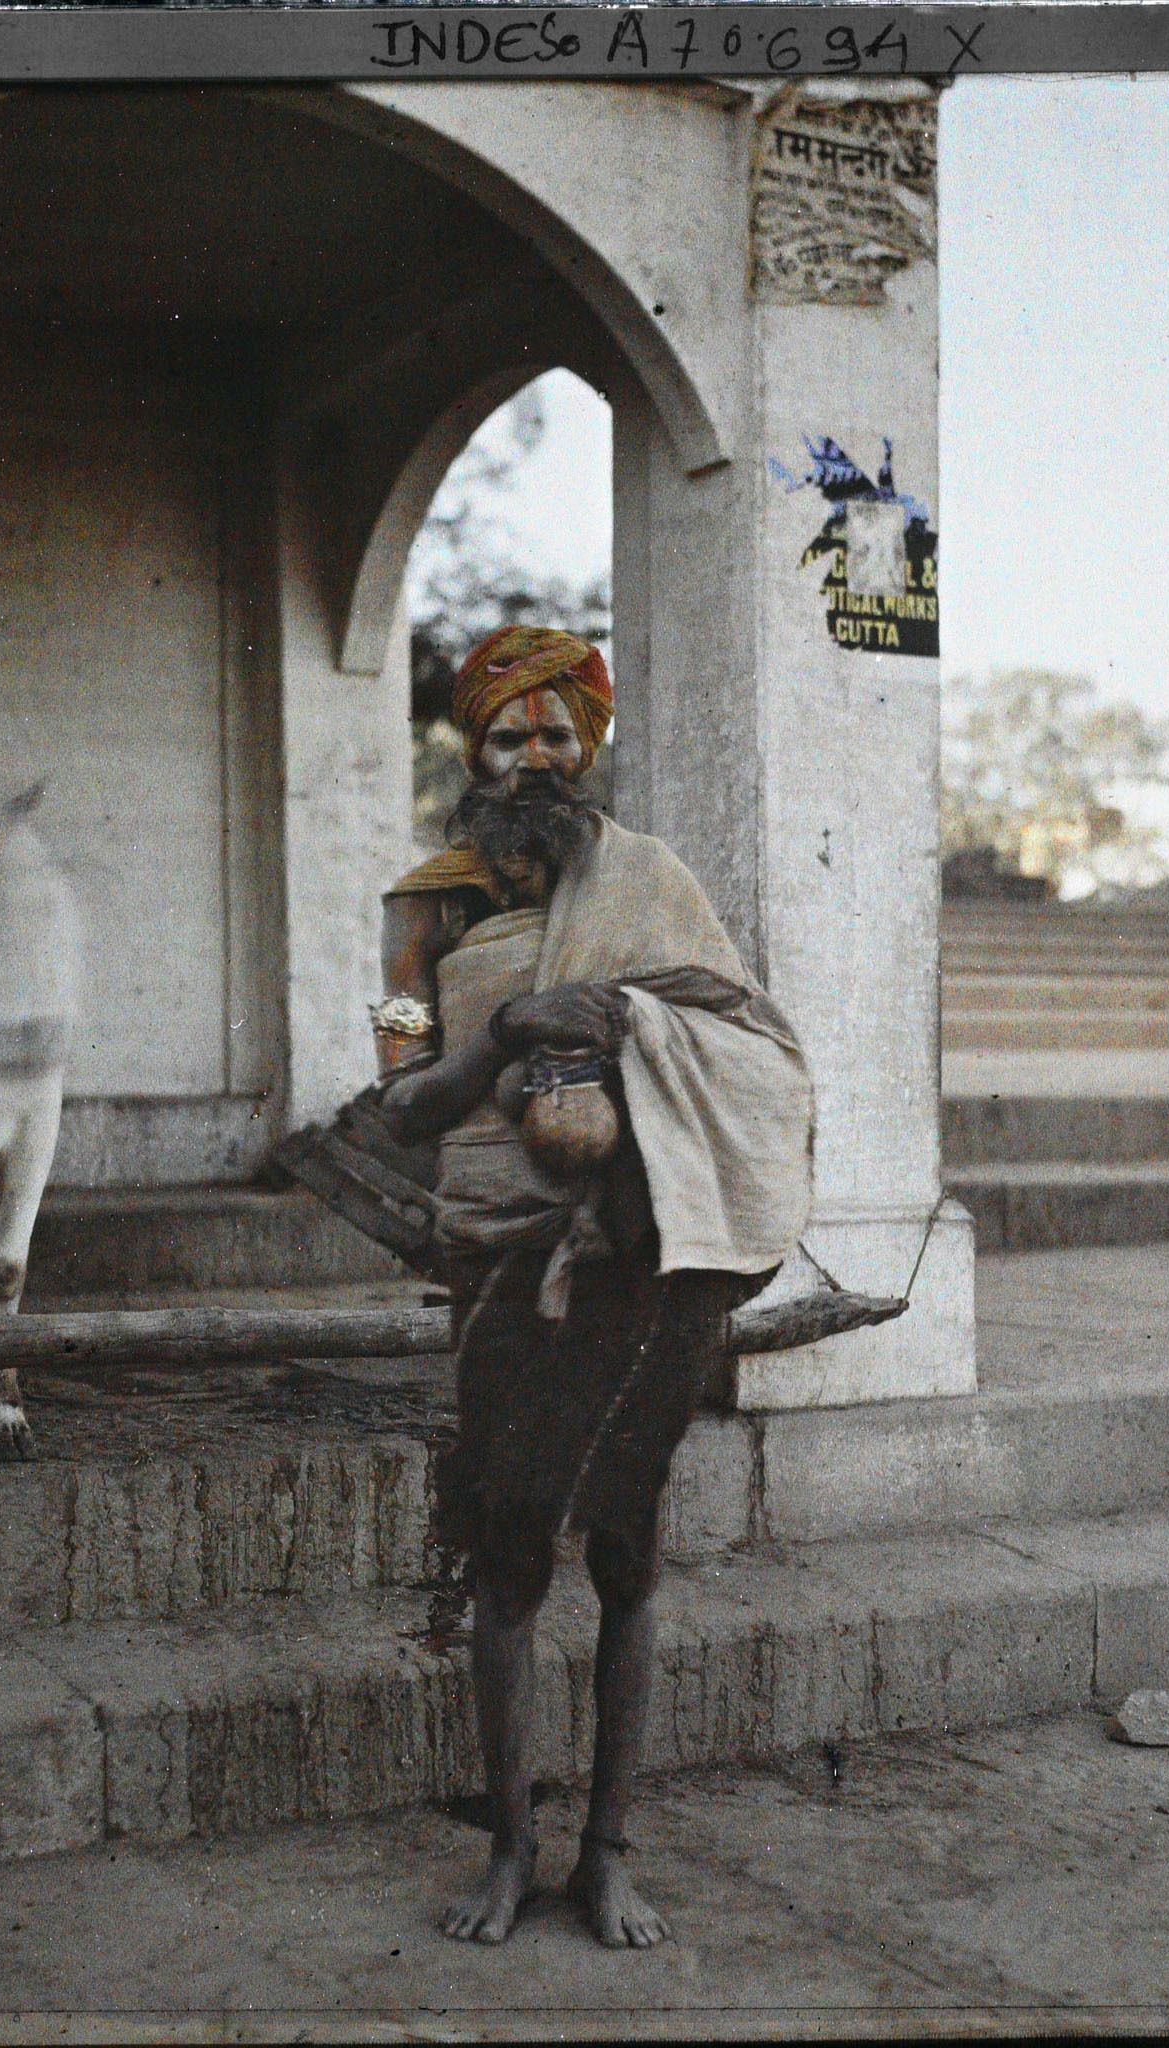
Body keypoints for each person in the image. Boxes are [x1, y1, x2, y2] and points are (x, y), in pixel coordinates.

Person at [375, 624, 813, 1948]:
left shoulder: (652, 880)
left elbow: (757, 1041)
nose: (533, 756)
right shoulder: (423, 903)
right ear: (472, 746)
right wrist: (505, 1039)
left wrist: (624, 1021)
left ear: (590, 745)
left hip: (638, 1252)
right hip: (500, 1250)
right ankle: (511, 1850)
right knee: (509, 1556)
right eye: (508, 733)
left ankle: (608, 1854)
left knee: (627, 1555)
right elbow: (400, 1103)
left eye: (558, 732)